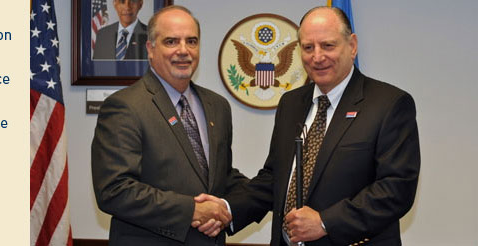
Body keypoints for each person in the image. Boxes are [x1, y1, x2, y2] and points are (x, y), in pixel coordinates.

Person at [195, 6, 420, 246]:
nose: (317, 56)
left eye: (328, 45)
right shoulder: (291, 103)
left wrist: (325, 222)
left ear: (352, 46)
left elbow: (396, 189)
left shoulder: (389, 104)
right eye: (308, 47)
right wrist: (228, 208)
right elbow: (274, 179)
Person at [91, 5, 248, 245]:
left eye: (192, 41)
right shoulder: (124, 107)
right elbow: (114, 190)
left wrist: (266, 195)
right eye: (171, 41)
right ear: (150, 49)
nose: (183, 51)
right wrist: (191, 211)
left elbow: (221, 176)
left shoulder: (217, 106)